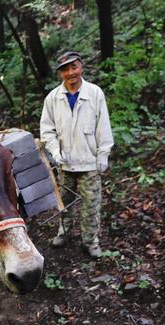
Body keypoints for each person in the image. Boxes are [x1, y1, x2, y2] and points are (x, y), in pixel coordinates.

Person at [40, 51, 114, 258]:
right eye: (65, 69)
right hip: (65, 164)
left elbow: (103, 125)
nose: (70, 73)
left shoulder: (95, 93)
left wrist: (103, 154)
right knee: (64, 203)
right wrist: (55, 151)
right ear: (60, 73)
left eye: (74, 67)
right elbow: (47, 130)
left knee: (91, 205)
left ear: (81, 67)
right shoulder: (53, 98)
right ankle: (63, 233)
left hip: (89, 162)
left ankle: (91, 241)